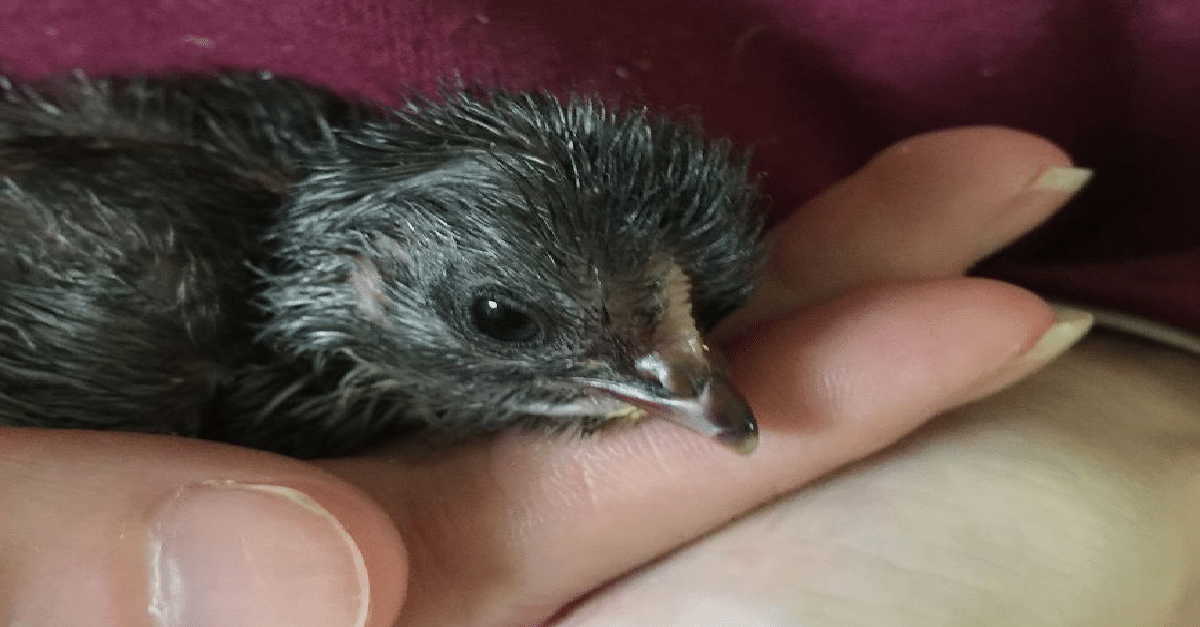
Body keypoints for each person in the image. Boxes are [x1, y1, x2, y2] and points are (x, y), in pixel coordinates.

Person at [2, 1, 1197, 626]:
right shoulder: (129, 295)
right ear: (367, 270)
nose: (701, 388)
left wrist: (1132, 399)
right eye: (504, 319)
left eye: (704, 319)